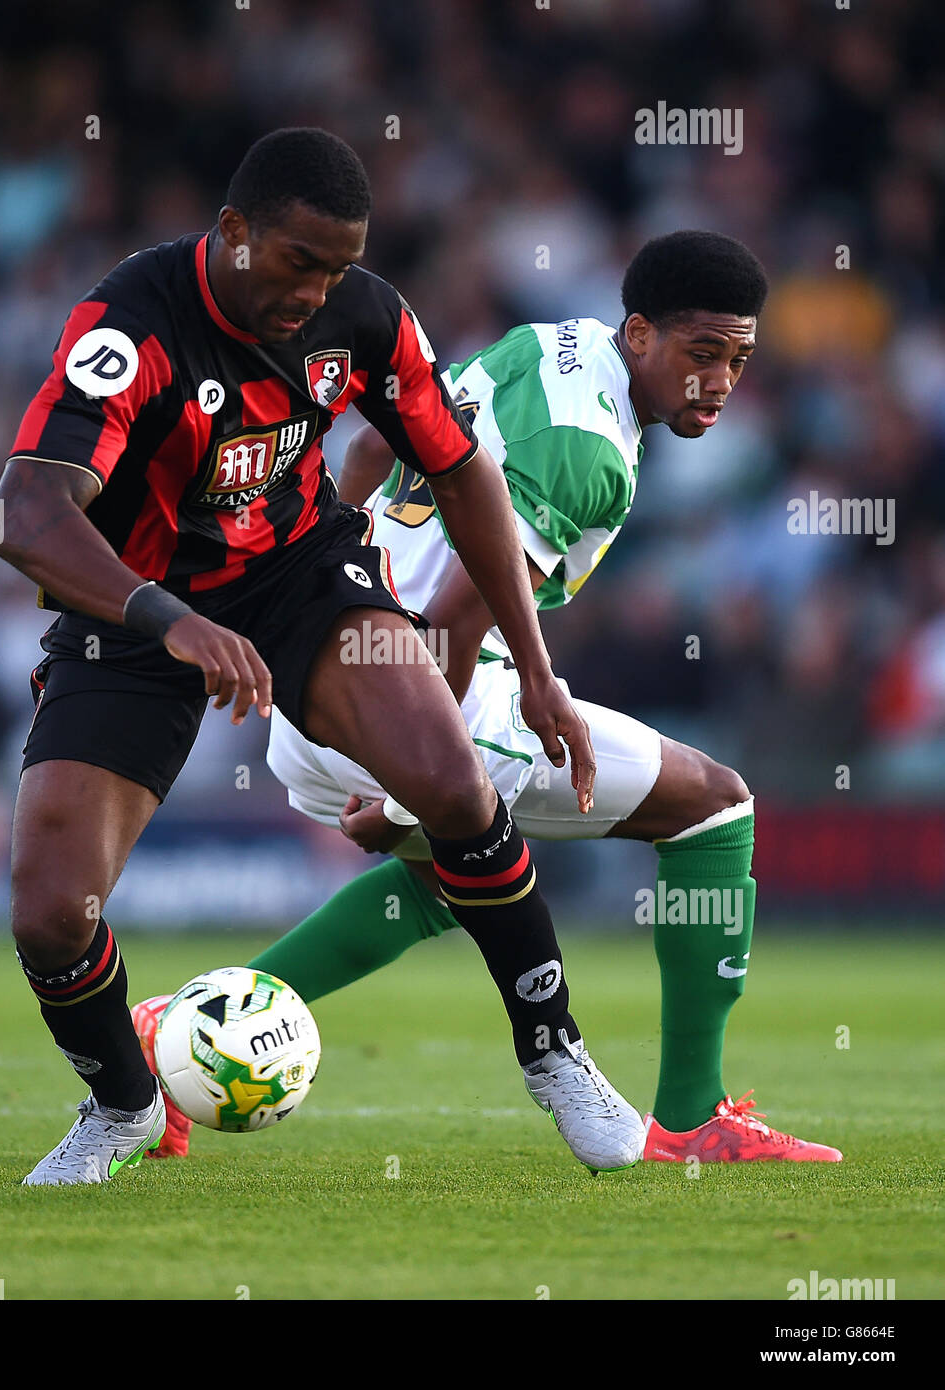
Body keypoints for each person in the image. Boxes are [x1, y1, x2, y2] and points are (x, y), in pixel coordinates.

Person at [0, 127, 646, 1186]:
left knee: (452, 782)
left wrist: (532, 671)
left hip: (301, 576)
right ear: (235, 232)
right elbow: (26, 511)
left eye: (338, 266)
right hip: (133, 608)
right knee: (49, 915)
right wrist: (170, 619)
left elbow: (464, 471)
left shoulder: (367, 315)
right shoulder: (129, 323)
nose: (317, 290)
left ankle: (553, 1050)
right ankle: (120, 1101)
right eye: (300, 261)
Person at [134, 230, 842, 1165]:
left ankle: (171, 1029)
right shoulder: (590, 452)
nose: (718, 382)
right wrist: (404, 791)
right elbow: (459, 622)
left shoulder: (538, 349)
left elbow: (358, 453)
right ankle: (693, 1113)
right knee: (716, 808)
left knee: (447, 881)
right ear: (639, 334)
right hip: (419, 700)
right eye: (701, 353)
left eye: (739, 361)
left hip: (324, 682)